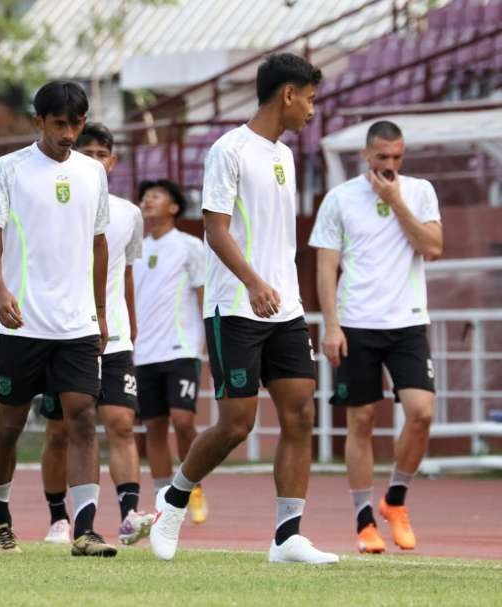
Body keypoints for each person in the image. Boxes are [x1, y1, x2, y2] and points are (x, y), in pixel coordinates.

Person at [148, 53, 338, 564]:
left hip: (286, 307)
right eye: (311, 101)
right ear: (288, 95)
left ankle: (287, 537)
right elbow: (215, 229)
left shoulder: (285, 155)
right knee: (237, 424)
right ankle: (174, 498)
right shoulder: (228, 151)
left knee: (300, 412)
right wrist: (253, 282)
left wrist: (277, 289)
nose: (313, 112)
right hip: (234, 305)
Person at [0, 81, 115, 557]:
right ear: (38, 122)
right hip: (22, 323)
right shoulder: (9, 169)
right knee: (10, 426)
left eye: (76, 123)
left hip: (76, 324)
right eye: (59, 124)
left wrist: (100, 312)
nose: (69, 133)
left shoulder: (94, 173)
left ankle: (87, 529)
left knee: (82, 419)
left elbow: (99, 244)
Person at [309, 120, 442, 554]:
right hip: (356, 322)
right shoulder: (340, 198)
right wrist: (331, 325)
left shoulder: (419, 191)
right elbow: (326, 266)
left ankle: (396, 500)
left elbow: (433, 247)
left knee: (421, 412)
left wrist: (396, 202)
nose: (389, 165)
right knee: (361, 419)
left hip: (407, 322)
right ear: (366, 155)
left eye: (396, 158)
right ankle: (364, 520)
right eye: (381, 157)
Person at [37, 122, 152, 548]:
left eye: (102, 154)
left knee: (121, 422)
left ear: (113, 161)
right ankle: (57, 517)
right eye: (88, 154)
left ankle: (128, 515)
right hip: (63, 332)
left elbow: (125, 274)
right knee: (61, 430)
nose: (95, 162)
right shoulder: (54, 203)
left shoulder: (129, 214)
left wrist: (131, 325)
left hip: (113, 335)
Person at [132, 179, 209, 524]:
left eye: (157, 196)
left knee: (183, 421)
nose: (148, 201)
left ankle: (191, 483)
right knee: (154, 429)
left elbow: (204, 294)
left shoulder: (190, 246)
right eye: (145, 197)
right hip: (144, 352)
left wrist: (210, 344)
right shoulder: (135, 249)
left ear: (174, 207)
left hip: (182, 349)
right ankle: (165, 502)